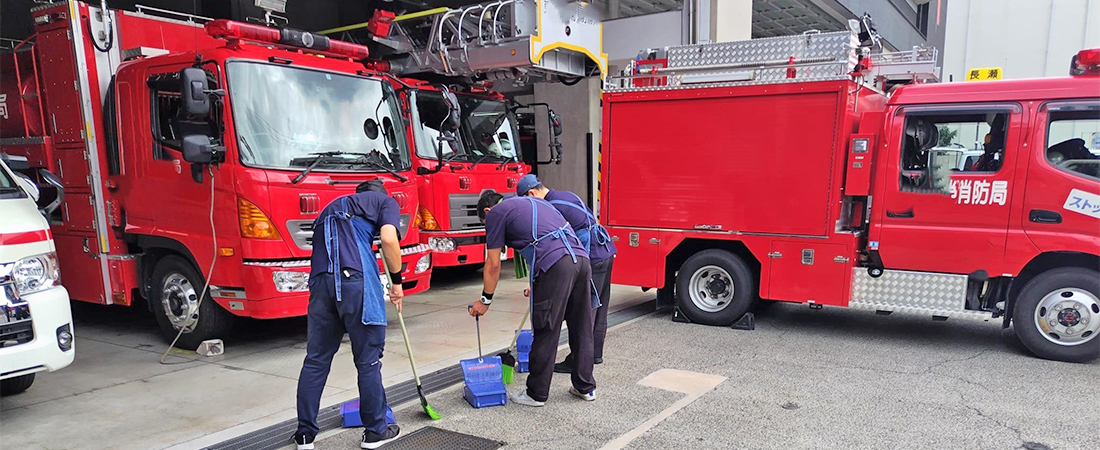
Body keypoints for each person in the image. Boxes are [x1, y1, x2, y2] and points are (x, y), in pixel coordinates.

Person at [293, 180, 403, 450]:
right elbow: (389, 238)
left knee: (316, 360)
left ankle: (305, 435)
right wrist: (397, 284)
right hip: (355, 282)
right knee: (367, 361)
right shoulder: (385, 202)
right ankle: (376, 431)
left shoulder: (328, 211)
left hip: (320, 285)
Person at [470, 190, 597, 406]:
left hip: (557, 264)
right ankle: (585, 387)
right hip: (581, 262)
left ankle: (536, 393)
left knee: (546, 327)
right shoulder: (533, 203)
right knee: (581, 326)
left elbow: (493, 264)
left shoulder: (495, 214)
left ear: (487, 211)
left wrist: (485, 300)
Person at [515, 175, 617, 373]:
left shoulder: (551, 208)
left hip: (591, 256)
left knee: (582, 314)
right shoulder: (564, 195)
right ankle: (594, 355)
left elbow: (561, 244)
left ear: (532, 193)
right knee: (599, 307)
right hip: (605, 251)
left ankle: (577, 361)